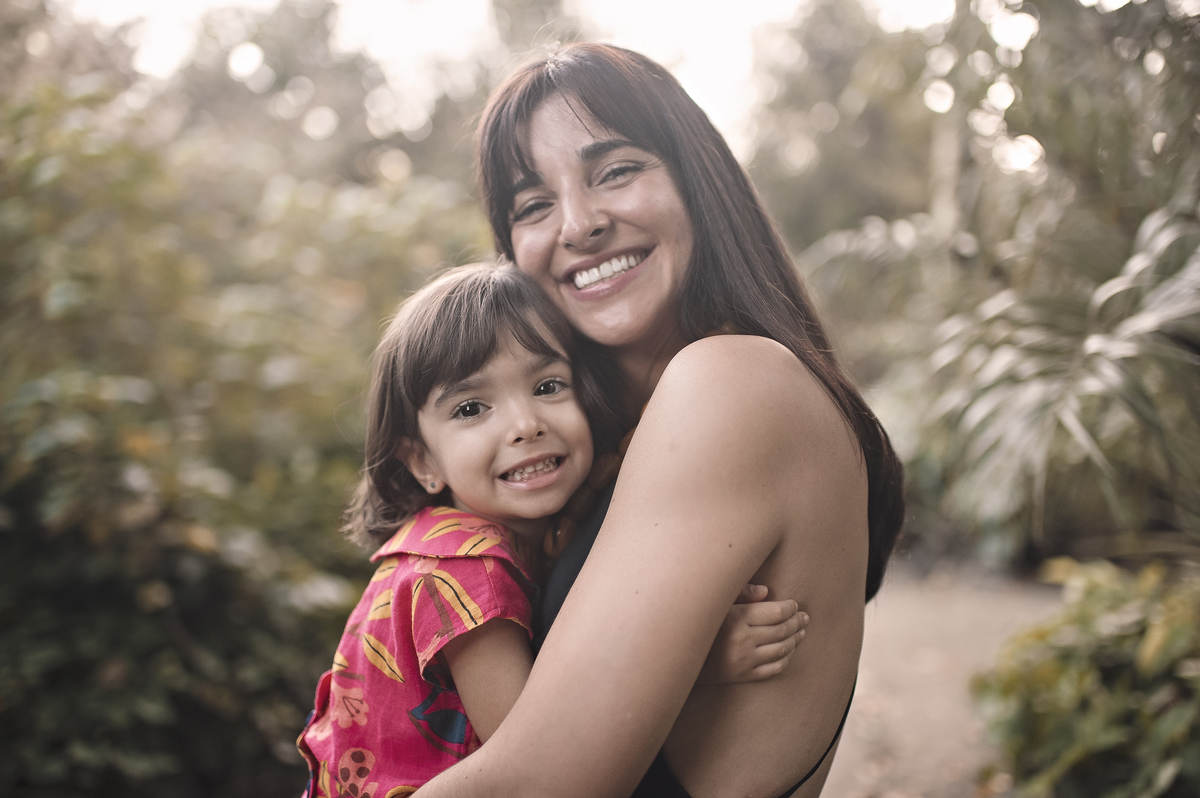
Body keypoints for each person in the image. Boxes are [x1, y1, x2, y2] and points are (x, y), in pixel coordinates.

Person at [415, 43, 906, 798]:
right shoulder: (590, 457)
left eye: (615, 171)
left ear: (695, 182)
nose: (578, 224)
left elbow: (538, 781)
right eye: (534, 205)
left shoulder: (732, 382)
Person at [296, 265, 807, 797]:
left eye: (547, 386)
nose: (526, 424)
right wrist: (694, 655)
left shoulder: (477, 542)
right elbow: (547, 754)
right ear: (421, 460)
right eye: (472, 408)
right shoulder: (464, 569)